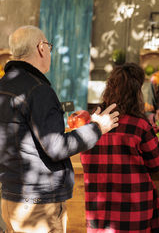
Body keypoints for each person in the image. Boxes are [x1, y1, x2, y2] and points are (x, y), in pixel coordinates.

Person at [0, 25, 119, 233]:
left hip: (11, 198)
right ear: (41, 48)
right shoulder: (38, 90)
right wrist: (97, 128)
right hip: (37, 206)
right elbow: (56, 147)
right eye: (49, 46)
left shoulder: (3, 85)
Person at [80, 63, 159, 233]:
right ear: (136, 93)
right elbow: (157, 163)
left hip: (99, 215)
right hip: (134, 213)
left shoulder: (91, 125)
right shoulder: (139, 126)